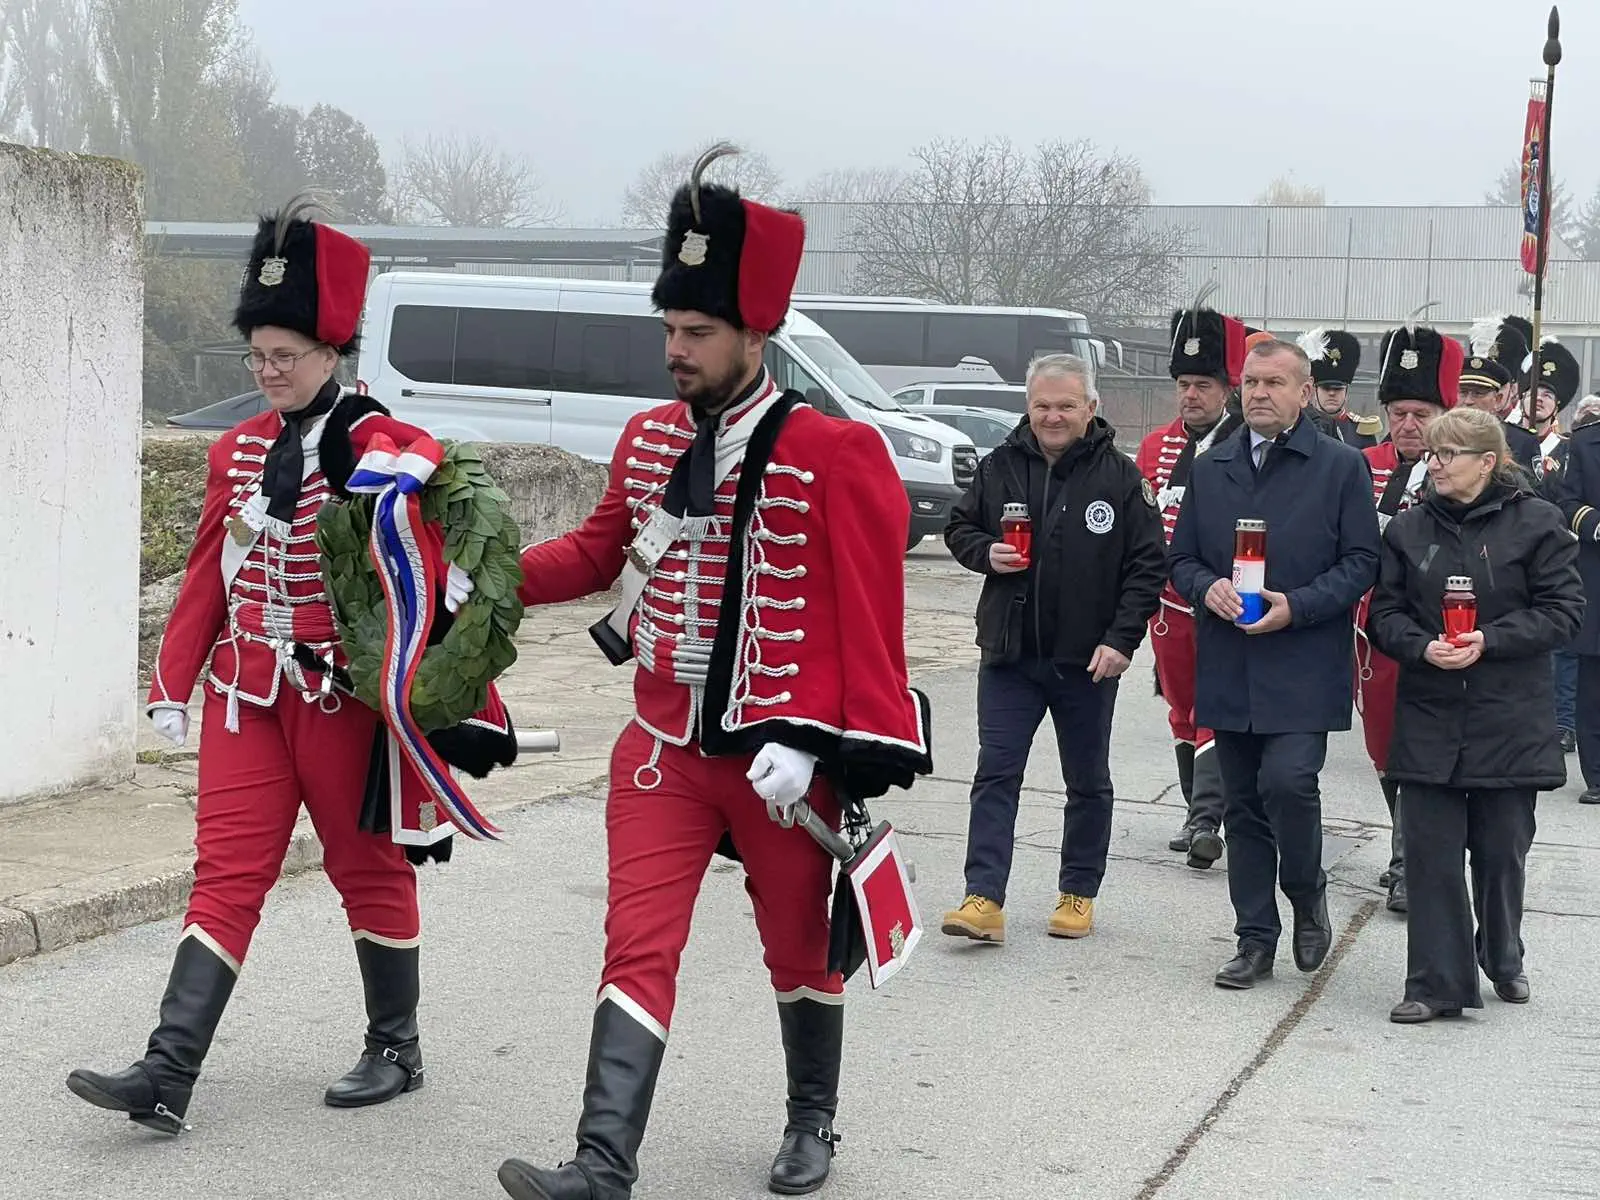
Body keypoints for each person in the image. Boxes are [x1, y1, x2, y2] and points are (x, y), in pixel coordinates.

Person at [496, 148, 932, 1200]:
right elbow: (597, 555)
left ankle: (811, 1120)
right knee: (636, 942)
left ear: (755, 335)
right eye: (669, 330)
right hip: (660, 749)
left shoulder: (834, 451)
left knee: (797, 951)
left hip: (778, 759)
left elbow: (868, 620)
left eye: (695, 333)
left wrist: (813, 736)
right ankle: (603, 1163)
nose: (674, 350)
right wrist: (481, 574)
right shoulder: (648, 441)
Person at [66, 196, 518, 1135]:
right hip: (245, 693)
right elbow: (206, 575)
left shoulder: (384, 450)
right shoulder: (235, 452)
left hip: (339, 697)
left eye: (287, 357)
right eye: (258, 356)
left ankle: (396, 1044)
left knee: (366, 865)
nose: (268, 373)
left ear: (331, 355)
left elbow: (425, 574)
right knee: (225, 872)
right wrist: (171, 685)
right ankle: (168, 1069)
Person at [1168, 338, 1380, 990]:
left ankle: (1307, 890)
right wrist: (1208, 589)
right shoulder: (1211, 467)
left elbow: (1361, 563)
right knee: (1242, 806)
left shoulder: (1339, 467)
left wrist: (1300, 606)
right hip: (1231, 660)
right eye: (1252, 382)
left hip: (1303, 658)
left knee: (1288, 784)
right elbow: (1181, 559)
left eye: (1275, 383)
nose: (1259, 393)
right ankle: (1254, 939)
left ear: (1304, 390)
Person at [1366, 407, 1583, 1022]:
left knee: (1499, 851)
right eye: (1431, 454)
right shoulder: (1408, 530)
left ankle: (1503, 951)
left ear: (1487, 462)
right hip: (1431, 711)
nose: (1434, 464)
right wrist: (1419, 646)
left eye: (1448, 454)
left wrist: (1492, 638)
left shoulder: (1538, 524)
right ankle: (1436, 984)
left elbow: (1564, 611)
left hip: (1508, 716)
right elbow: (1384, 613)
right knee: (1431, 853)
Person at [940, 354, 1165, 943]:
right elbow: (959, 529)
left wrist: (1121, 642)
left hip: (1087, 662)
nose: (1053, 416)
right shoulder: (999, 466)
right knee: (996, 773)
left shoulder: (1120, 478)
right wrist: (985, 552)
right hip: (1011, 655)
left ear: (1091, 408)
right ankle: (983, 897)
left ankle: (1077, 891)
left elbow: (1147, 568)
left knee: (1086, 780)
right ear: (1028, 406)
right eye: (1042, 405)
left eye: (1066, 405)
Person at [1354, 323, 1463, 915]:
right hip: (1369, 634)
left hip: (1431, 631)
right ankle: (1409, 847)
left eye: (1421, 412)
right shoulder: (1361, 463)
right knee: (1382, 750)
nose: (1408, 425)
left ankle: (1408, 862)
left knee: (1418, 750)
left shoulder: (1456, 474)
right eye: (1398, 411)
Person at [1134, 298, 1246, 869]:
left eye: (1204, 383)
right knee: (1181, 708)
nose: (1191, 394)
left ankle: (1206, 818)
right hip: (1166, 604)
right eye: (1184, 382)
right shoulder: (1155, 447)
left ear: (1227, 390)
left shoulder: (1246, 444)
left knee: (1213, 707)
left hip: (1223, 602)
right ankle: (1195, 811)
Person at [1522, 339, 1584, 754]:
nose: (1539, 401)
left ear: (1557, 406)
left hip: (1556, 551)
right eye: (1533, 393)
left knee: (1561, 649)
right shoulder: (1511, 443)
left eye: (1546, 395)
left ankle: (1562, 722)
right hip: (1514, 553)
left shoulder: (1569, 451)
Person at [1551, 396, 1600, 807]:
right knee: (1593, 682)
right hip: (1597, 575)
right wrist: (1596, 526)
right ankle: (1597, 773)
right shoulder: (1585, 444)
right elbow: (1568, 502)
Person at [1458, 316, 1541, 472]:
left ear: (1512, 389)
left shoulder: (1521, 440)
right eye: (1462, 392)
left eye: (1479, 393)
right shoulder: (1442, 434)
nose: (1468, 401)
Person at [1299, 327, 1381, 449]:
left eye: (1338, 389)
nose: (1332, 393)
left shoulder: (1361, 431)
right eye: (1325, 388)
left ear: (1346, 391)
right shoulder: (1300, 426)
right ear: (1314, 390)